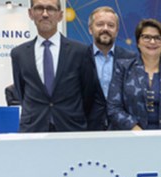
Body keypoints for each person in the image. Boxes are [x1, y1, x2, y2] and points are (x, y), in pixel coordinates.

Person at [11, 0, 102, 132]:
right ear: (30, 13)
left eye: (51, 9)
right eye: (39, 8)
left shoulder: (80, 52)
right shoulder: (19, 54)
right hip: (33, 129)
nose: (45, 14)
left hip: (71, 128)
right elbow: (21, 92)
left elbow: (88, 93)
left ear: (60, 15)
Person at [107, 19, 161, 130]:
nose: (152, 42)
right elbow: (114, 107)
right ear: (138, 42)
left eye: (157, 38)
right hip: (130, 138)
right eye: (146, 37)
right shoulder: (123, 68)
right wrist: (136, 130)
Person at [87, 6, 136, 130]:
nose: (105, 29)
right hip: (88, 129)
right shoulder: (78, 57)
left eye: (110, 25)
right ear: (90, 29)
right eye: (99, 24)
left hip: (123, 130)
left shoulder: (131, 59)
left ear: (117, 30)